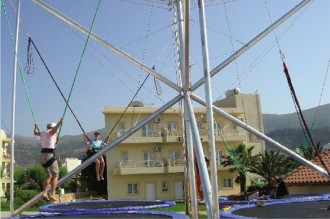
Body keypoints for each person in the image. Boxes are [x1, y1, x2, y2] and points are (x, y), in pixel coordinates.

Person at [34, 117, 64, 202]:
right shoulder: (51, 132)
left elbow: (35, 133)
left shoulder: (43, 133)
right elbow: (54, 129)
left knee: (48, 176)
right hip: (49, 155)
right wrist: (60, 122)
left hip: (42, 156)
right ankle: (52, 193)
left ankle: (45, 192)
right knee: (55, 175)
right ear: (52, 128)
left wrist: (35, 127)